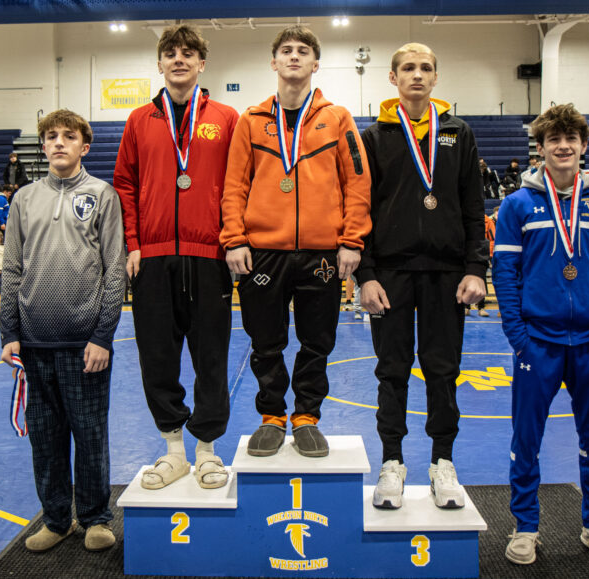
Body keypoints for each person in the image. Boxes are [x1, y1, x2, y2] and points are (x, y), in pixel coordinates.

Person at [221, 25, 371, 459]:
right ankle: (271, 416)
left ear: (315, 63)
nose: (293, 57)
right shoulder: (250, 121)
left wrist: (351, 241)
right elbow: (234, 186)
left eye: (302, 51)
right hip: (262, 251)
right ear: (273, 62)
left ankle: (306, 416)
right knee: (265, 341)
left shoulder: (337, 118)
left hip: (323, 252)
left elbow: (358, 182)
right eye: (285, 50)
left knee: (316, 341)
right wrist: (234, 240)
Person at [493, 104, 589, 566]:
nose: (563, 145)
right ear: (541, 147)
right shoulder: (518, 205)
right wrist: (518, 335)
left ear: (584, 146)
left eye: (571, 138)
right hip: (539, 341)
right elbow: (505, 273)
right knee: (526, 439)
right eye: (554, 139)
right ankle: (525, 526)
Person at [358, 42, 487, 510]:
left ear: (436, 78)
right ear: (392, 79)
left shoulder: (459, 133)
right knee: (391, 370)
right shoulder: (373, 137)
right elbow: (362, 211)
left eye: (425, 68)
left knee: (443, 371)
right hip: (390, 274)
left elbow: (474, 208)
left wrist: (476, 268)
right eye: (407, 68)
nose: (417, 74)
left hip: (447, 273)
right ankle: (392, 461)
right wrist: (365, 275)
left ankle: (442, 462)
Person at [114, 24, 238, 491]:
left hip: (210, 257)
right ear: (160, 62)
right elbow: (125, 184)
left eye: (189, 53)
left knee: (212, 358)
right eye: (171, 53)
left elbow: (235, 184)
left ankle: (206, 450)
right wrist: (133, 243)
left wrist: (229, 240)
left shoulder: (226, 118)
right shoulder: (138, 120)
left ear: (202, 63)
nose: (180, 59)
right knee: (158, 359)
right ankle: (173, 451)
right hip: (153, 258)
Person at [0, 109, 126, 553]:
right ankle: (56, 519)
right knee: (46, 438)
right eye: (50, 137)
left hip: (85, 343)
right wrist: (8, 333)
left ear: (83, 146)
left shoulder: (102, 195)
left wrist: (103, 336)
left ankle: (94, 517)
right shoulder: (24, 199)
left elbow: (115, 271)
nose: (58, 143)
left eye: (67, 137)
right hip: (34, 343)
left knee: (90, 433)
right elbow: (11, 268)